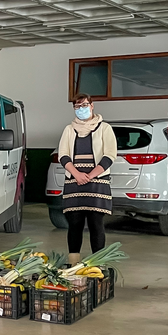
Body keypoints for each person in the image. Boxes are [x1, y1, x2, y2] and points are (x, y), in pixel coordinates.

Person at [57, 94, 117, 264]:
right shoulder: (69, 129)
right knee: (74, 224)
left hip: (97, 183)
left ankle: (97, 264)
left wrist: (90, 176)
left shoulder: (104, 128)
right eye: (77, 106)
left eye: (84, 105)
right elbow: (63, 155)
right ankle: (74, 263)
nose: (81, 109)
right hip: (74, 182)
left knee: (95, 223)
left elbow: (110, 155)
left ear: (92, 105)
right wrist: (76, 174)